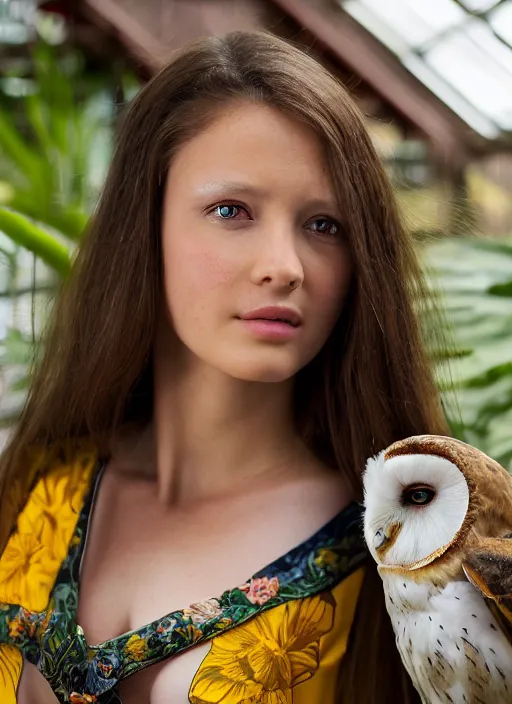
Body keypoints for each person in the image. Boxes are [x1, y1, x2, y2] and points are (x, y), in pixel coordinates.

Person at [0, 30, 448, 703]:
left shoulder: (406, 550)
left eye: (324, 224)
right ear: (143, 227)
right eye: (230, 210)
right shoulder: (37, 487)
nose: (285, 266)